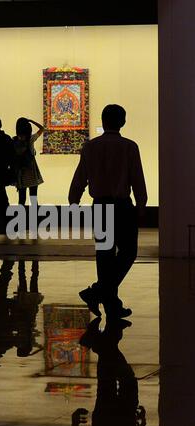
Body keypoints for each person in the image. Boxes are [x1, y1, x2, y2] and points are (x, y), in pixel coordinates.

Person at [68, 104, 147, 318]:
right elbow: (137, 179)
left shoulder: (90, 147)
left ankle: (102, 297)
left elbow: (79, 178)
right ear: (122, 122)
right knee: (128, 253)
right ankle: (104, 298)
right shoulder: (130, 147)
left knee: (105, 256)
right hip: (122, 206)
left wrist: (73, 201)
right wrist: (142, 204)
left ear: (103, 122)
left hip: (101, 207)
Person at [13, 117, 44, 205]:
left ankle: (21, 218)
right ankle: (34, 218)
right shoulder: (31, 139)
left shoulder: (14, 140)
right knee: (33, 198)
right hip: (31, 171)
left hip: (20, 173)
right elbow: (42, 128)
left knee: (21, 199)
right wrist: (31, 120)